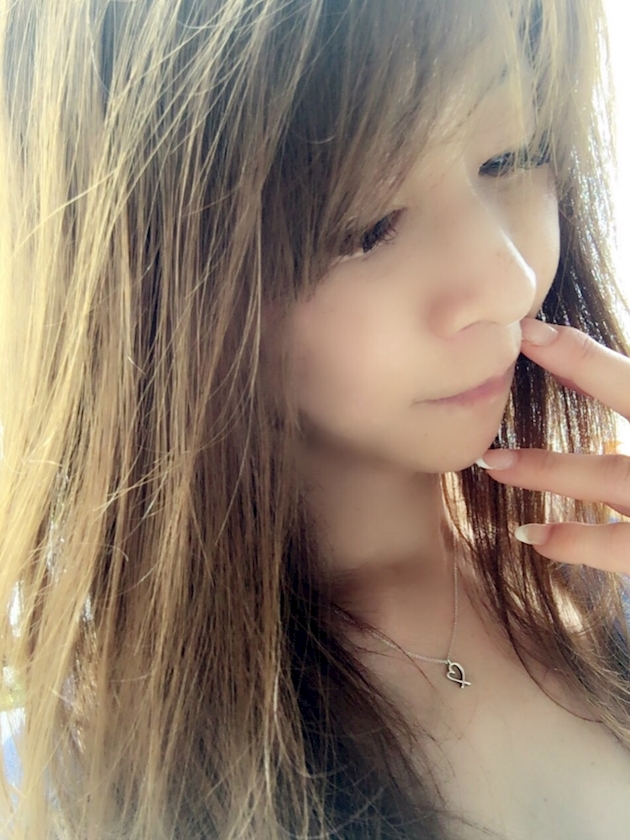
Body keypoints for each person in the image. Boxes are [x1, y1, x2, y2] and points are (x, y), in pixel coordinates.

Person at [0, 0, 629, 837]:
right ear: (154, 293)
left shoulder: (601, 583)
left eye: (512, 155)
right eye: (367, 228)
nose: (509, 281)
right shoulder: (71, 792)